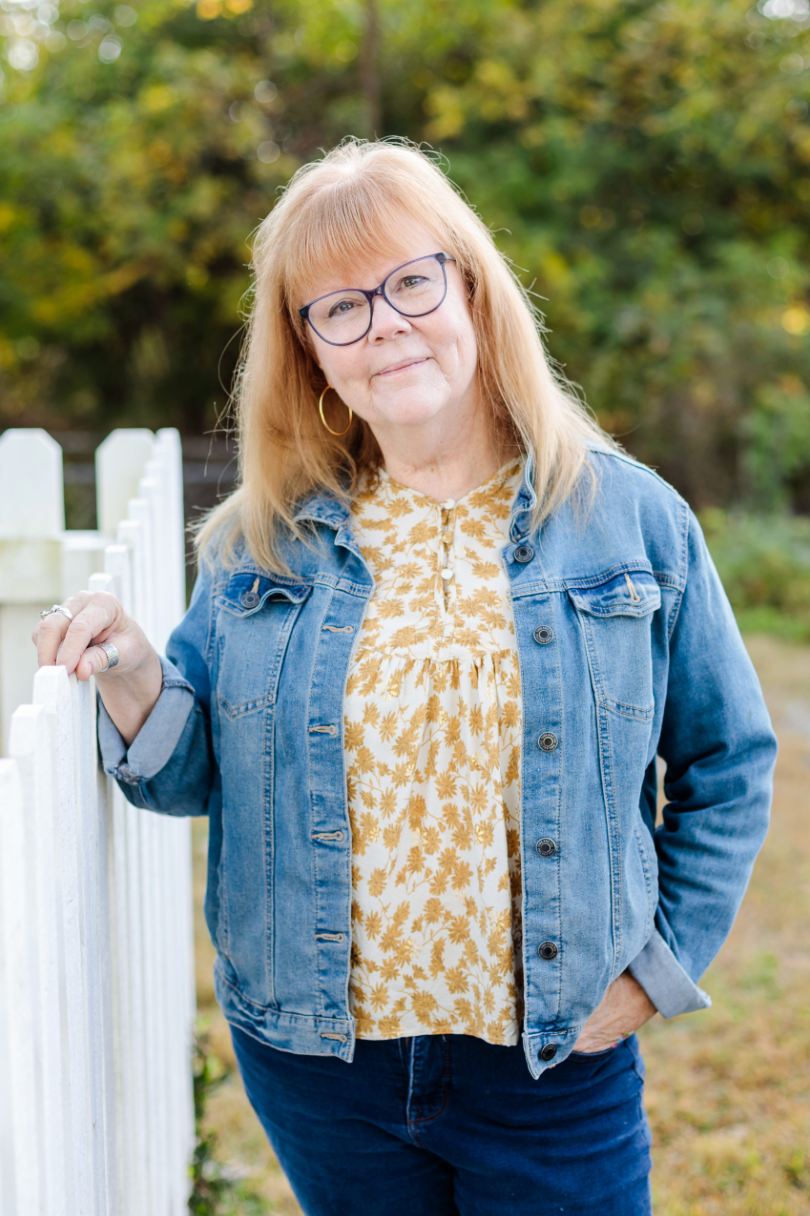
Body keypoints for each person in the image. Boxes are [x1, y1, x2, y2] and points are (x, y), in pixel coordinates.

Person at [33, 138, 777, 1216]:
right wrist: (135, 667)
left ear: (470, 288)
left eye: (409, 282)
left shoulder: (629, 518)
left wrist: (653, 970)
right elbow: (188, 770)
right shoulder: (262, 543)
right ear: (309, 349)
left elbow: (727, 759)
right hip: (322, 1069)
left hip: (550, 1065)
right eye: (337, 306)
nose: (382, 321)